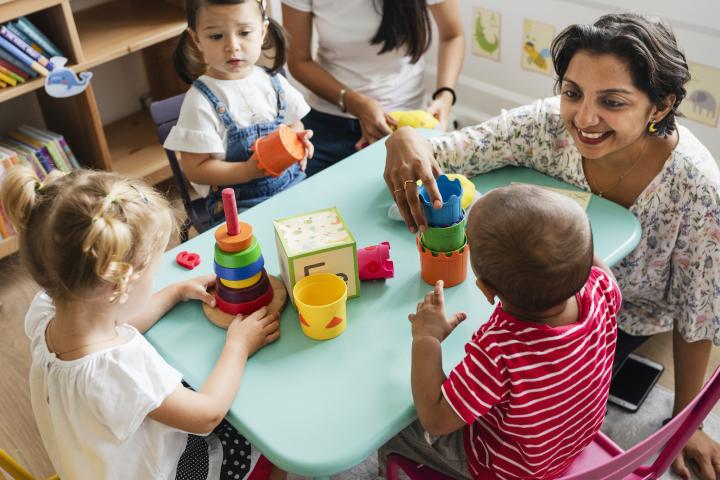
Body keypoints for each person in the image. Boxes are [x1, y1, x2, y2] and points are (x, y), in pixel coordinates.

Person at [383, 12, 720, 480]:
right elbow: (453, 150)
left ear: (659, 107)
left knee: (404, 400)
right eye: (572, 92)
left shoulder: (698, 188)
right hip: (571, 310)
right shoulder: (546, 128)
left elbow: (698, 311)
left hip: (622, 322)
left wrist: (689, 422)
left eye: (613, 102)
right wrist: (405, 136)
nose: (583, 118)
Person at [1, 167, 282, 479]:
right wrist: (238, 346)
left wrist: (174, 292)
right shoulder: (120, 370)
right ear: (119, 286)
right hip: (155, 472)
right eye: (153, 273)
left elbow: (118, 322)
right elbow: (207, 415)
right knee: (260, 436)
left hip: (89, 465)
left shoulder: (48, 312)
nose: (156, 280)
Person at [379, 184, 622, 479]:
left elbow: (435, 419)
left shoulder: (499, 350)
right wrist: (570, 246)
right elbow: (593, 265)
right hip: (571, 441)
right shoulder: (602, 288)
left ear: (486, 289)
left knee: (393, 427)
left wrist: (427, 338)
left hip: (509, 470)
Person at [166, 0, 313, 224]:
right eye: (216, 36)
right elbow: (195, 169)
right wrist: (247, 170)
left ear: (263, 32)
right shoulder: (199, 102)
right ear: (197, 39)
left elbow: (295, 123)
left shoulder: (273, 82)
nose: (232, 46)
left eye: (244, 32)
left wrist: (296, 141)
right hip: (238, 206)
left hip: (292, 184)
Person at [281, 0, 464, 175]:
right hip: (329, 120)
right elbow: (299, 61)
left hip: (405, 121)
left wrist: (445, 97)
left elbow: (452, 35)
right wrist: (353, 101)